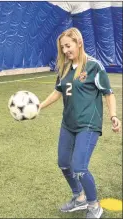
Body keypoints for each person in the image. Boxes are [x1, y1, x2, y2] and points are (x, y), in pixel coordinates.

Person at [39, 27, 121, 219]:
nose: (66, 50)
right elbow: (58, 91)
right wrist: (40, 106)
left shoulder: (94, 66)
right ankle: (79, 198)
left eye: (68, 45)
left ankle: (94, 206)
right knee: (63, 164)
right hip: (68, 123)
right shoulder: (64, 67)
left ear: (79, 42)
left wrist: (114, 116)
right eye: (63, 47)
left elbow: (108, 93)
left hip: (88, 124)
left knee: (79, 168)